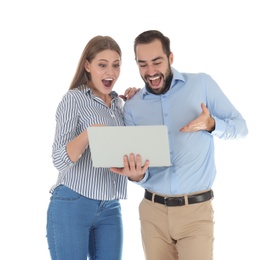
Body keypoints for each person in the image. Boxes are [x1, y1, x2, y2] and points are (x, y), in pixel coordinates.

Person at [110, 30, 248, 260]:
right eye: (143, 64)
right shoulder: (133, 107)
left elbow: (241, 128)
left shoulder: (201, 84)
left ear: (170, 58)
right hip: (152, 212)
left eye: (157, 62)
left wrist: (212, 124)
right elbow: (138, 165)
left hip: (195, 212)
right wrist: (135, 176)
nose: (151, 71)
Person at [46, 35, 138, 260]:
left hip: (110, 207)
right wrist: (89, 134)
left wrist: (139, 102)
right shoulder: (73, 100)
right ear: (87, 65)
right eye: (102, 65)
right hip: (72, 202)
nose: (111, 73)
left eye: (116, 65)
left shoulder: (119, 105)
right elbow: (58, 159)